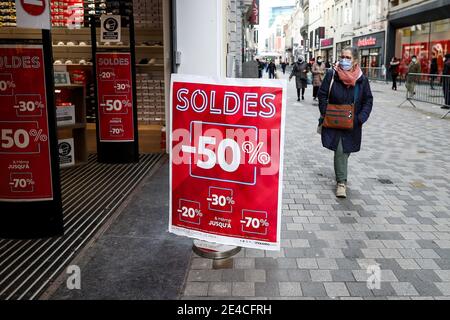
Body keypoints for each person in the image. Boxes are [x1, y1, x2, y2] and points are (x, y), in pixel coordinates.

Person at [317, 46, 373, 198]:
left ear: (355, 60)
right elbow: (322, 95)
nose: (344, 60)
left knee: (345, 151)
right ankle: (341, 183)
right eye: (342, 56)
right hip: (334, 120)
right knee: (340, 150)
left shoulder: (361, 79)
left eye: (348, 57)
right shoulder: (332, 74)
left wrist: (360, 118)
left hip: (352, 122)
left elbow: (368, 100)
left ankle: (341, 172)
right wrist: (326, 112)